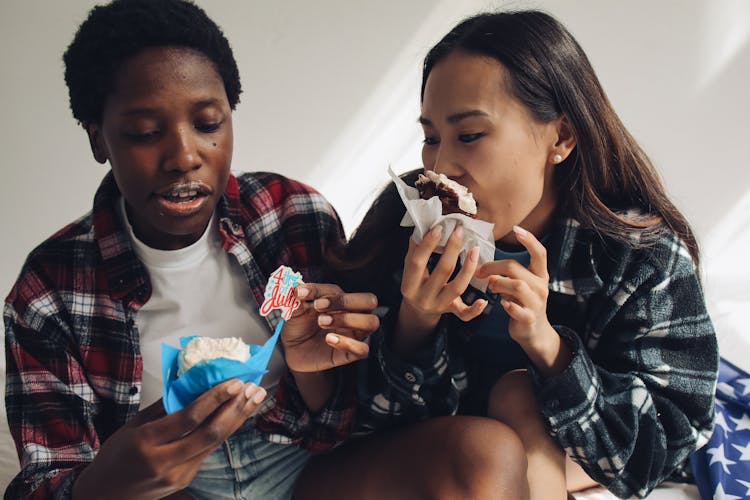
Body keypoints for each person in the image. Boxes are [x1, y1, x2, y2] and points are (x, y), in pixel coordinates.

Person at [311, 10, 719, 500]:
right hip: (433, 460)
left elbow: (660, 452)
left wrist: (550, 350)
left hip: (552, 450)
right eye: (431, 138)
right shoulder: (405, 229)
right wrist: (414, 324)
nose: (441, 168)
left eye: (469, 135)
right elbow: (362, 422)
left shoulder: (638, 257)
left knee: (519, 393)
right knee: (494, 436)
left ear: (561, 138)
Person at [3, 0, 380, 498]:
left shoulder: (291, 214)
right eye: (144, 133)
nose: (184, 157)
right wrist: (101, 483)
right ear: (99, 139)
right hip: (174, 489)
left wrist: (312, 374)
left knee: (478, 452)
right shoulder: (49, 289)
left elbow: (352, 421)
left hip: (305, 462)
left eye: (207, 124)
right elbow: (44, 481)